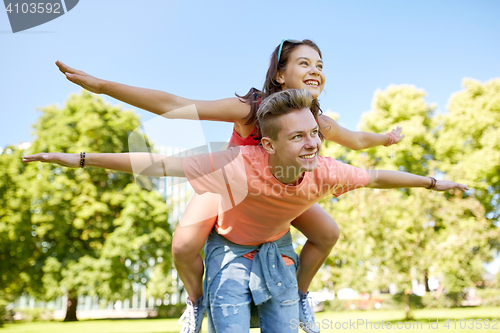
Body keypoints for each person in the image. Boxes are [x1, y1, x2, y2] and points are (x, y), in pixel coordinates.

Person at [23, 88, 468, 333]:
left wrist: (433, 182)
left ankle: (301, 297)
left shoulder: (326, 170)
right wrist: (77, 158)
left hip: (277, 251)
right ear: (269, 144)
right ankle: (196, 304)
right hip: (229, 251)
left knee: (289, 318)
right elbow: (154, 163)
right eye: (298, 137)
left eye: (314, 133)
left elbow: (379, 175)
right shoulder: (236, 167)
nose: (312, 143)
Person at [55, 39, 405, 333]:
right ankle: (196, 302)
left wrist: (386, 139)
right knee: (183, 245)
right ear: (280, 74)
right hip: (229, 187)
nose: (316, 69)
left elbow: (357, 140)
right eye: (305, 63)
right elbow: (176, 106)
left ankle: (299, 296)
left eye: (320, 64)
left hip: (276, 191)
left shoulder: (316, 120)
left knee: (328, 233)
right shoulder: (250, 108)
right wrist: (101, 86)